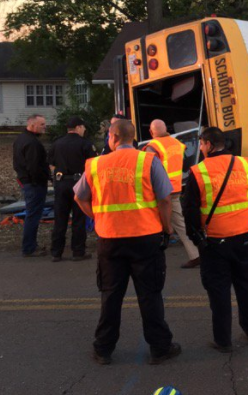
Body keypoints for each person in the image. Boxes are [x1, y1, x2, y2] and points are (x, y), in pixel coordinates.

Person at [74, 118, 181, 366]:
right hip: (145, 238)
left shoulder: (96, 164)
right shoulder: (148, 161)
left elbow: (79, 197)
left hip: (110, 239)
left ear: (112, 137)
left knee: (111, 295)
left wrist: (98, 217)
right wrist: (166, 227)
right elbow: (165, 199)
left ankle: (103, 349)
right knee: (149, 295)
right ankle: (159, 347)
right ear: (133, 138)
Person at [184, 127, 248, 352]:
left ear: (209, 144)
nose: (200, 148)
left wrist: (195, 237)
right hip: (244, 237)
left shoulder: (199, 172)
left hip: (215, 241)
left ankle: (223, 340)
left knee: (218, 291)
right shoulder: (245, 164)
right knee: (247, 285)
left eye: (201, 144)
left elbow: (189, 210)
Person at [144, 119, 198, 269]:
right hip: (175, 187)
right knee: (175, 221)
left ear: (151, 132)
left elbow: (148, 170)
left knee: (175, 223)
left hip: (161, 191)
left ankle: (196, 254)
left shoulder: (153, 147)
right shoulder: (176, 143)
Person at [48, 116, 96, 262]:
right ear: (78, 128)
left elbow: (50, 163)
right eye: (83, 127)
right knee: (79, 219)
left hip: (61, 184)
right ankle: (78, 252)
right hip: (79, 183)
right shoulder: (85, 144)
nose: (85, 130)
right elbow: (93, 165)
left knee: (60, 218)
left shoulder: (57, 143)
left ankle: (56, 253)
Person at [13, 114, 50, 257]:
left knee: (32, 214)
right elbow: (34, 166)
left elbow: (17, 163)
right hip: (34, 184)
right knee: (33, 215)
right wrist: (41, 179)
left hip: (27, 181)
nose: (44, 127)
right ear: (32, 125)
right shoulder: (32, 143)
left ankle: (30, 245)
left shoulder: (21, 139)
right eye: (42, 124)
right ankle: (29, 247)